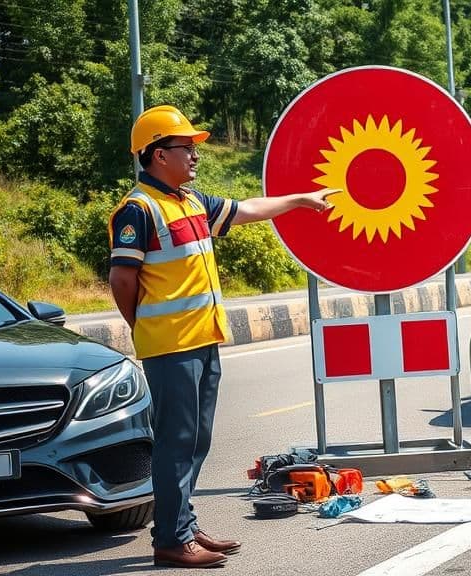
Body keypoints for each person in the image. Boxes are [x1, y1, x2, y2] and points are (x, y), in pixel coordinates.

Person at [108, 105, 337, 569]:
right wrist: (146, 325)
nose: (195, 156)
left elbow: (249, 209)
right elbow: (121, 281)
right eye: (185, 148)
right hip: (171, 345)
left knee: (197, 439)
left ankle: (183, 526)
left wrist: (298, 199)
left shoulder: (190, 202)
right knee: (177, 440)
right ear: (155, 155)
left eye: (194, 148)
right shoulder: (139, 209)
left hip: (203, 340)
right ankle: (171, 539)